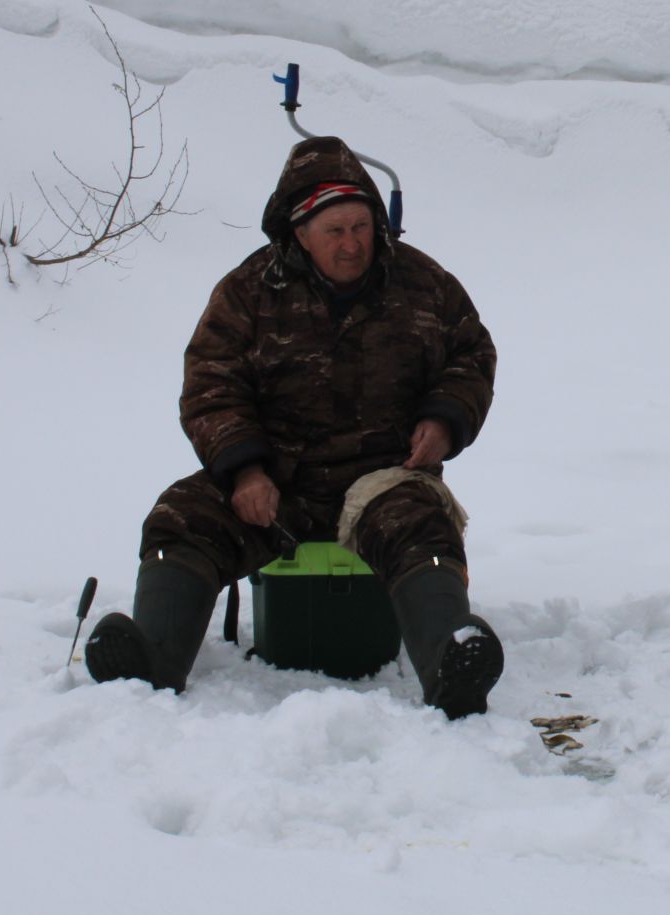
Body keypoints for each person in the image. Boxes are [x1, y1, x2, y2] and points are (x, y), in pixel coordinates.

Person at [85, 136, 505, 718]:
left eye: (360, 226)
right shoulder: (249, 290)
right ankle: (149, 663)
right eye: (335, 230)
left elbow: (471, 355)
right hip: (277, 481)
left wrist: (444, 419)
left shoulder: (422, 281)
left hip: (385, 477)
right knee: (181, 516)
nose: (352, 243)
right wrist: (246, 470)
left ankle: (452, 669)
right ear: (300, 230)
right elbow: (211, 383)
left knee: (425, 531)